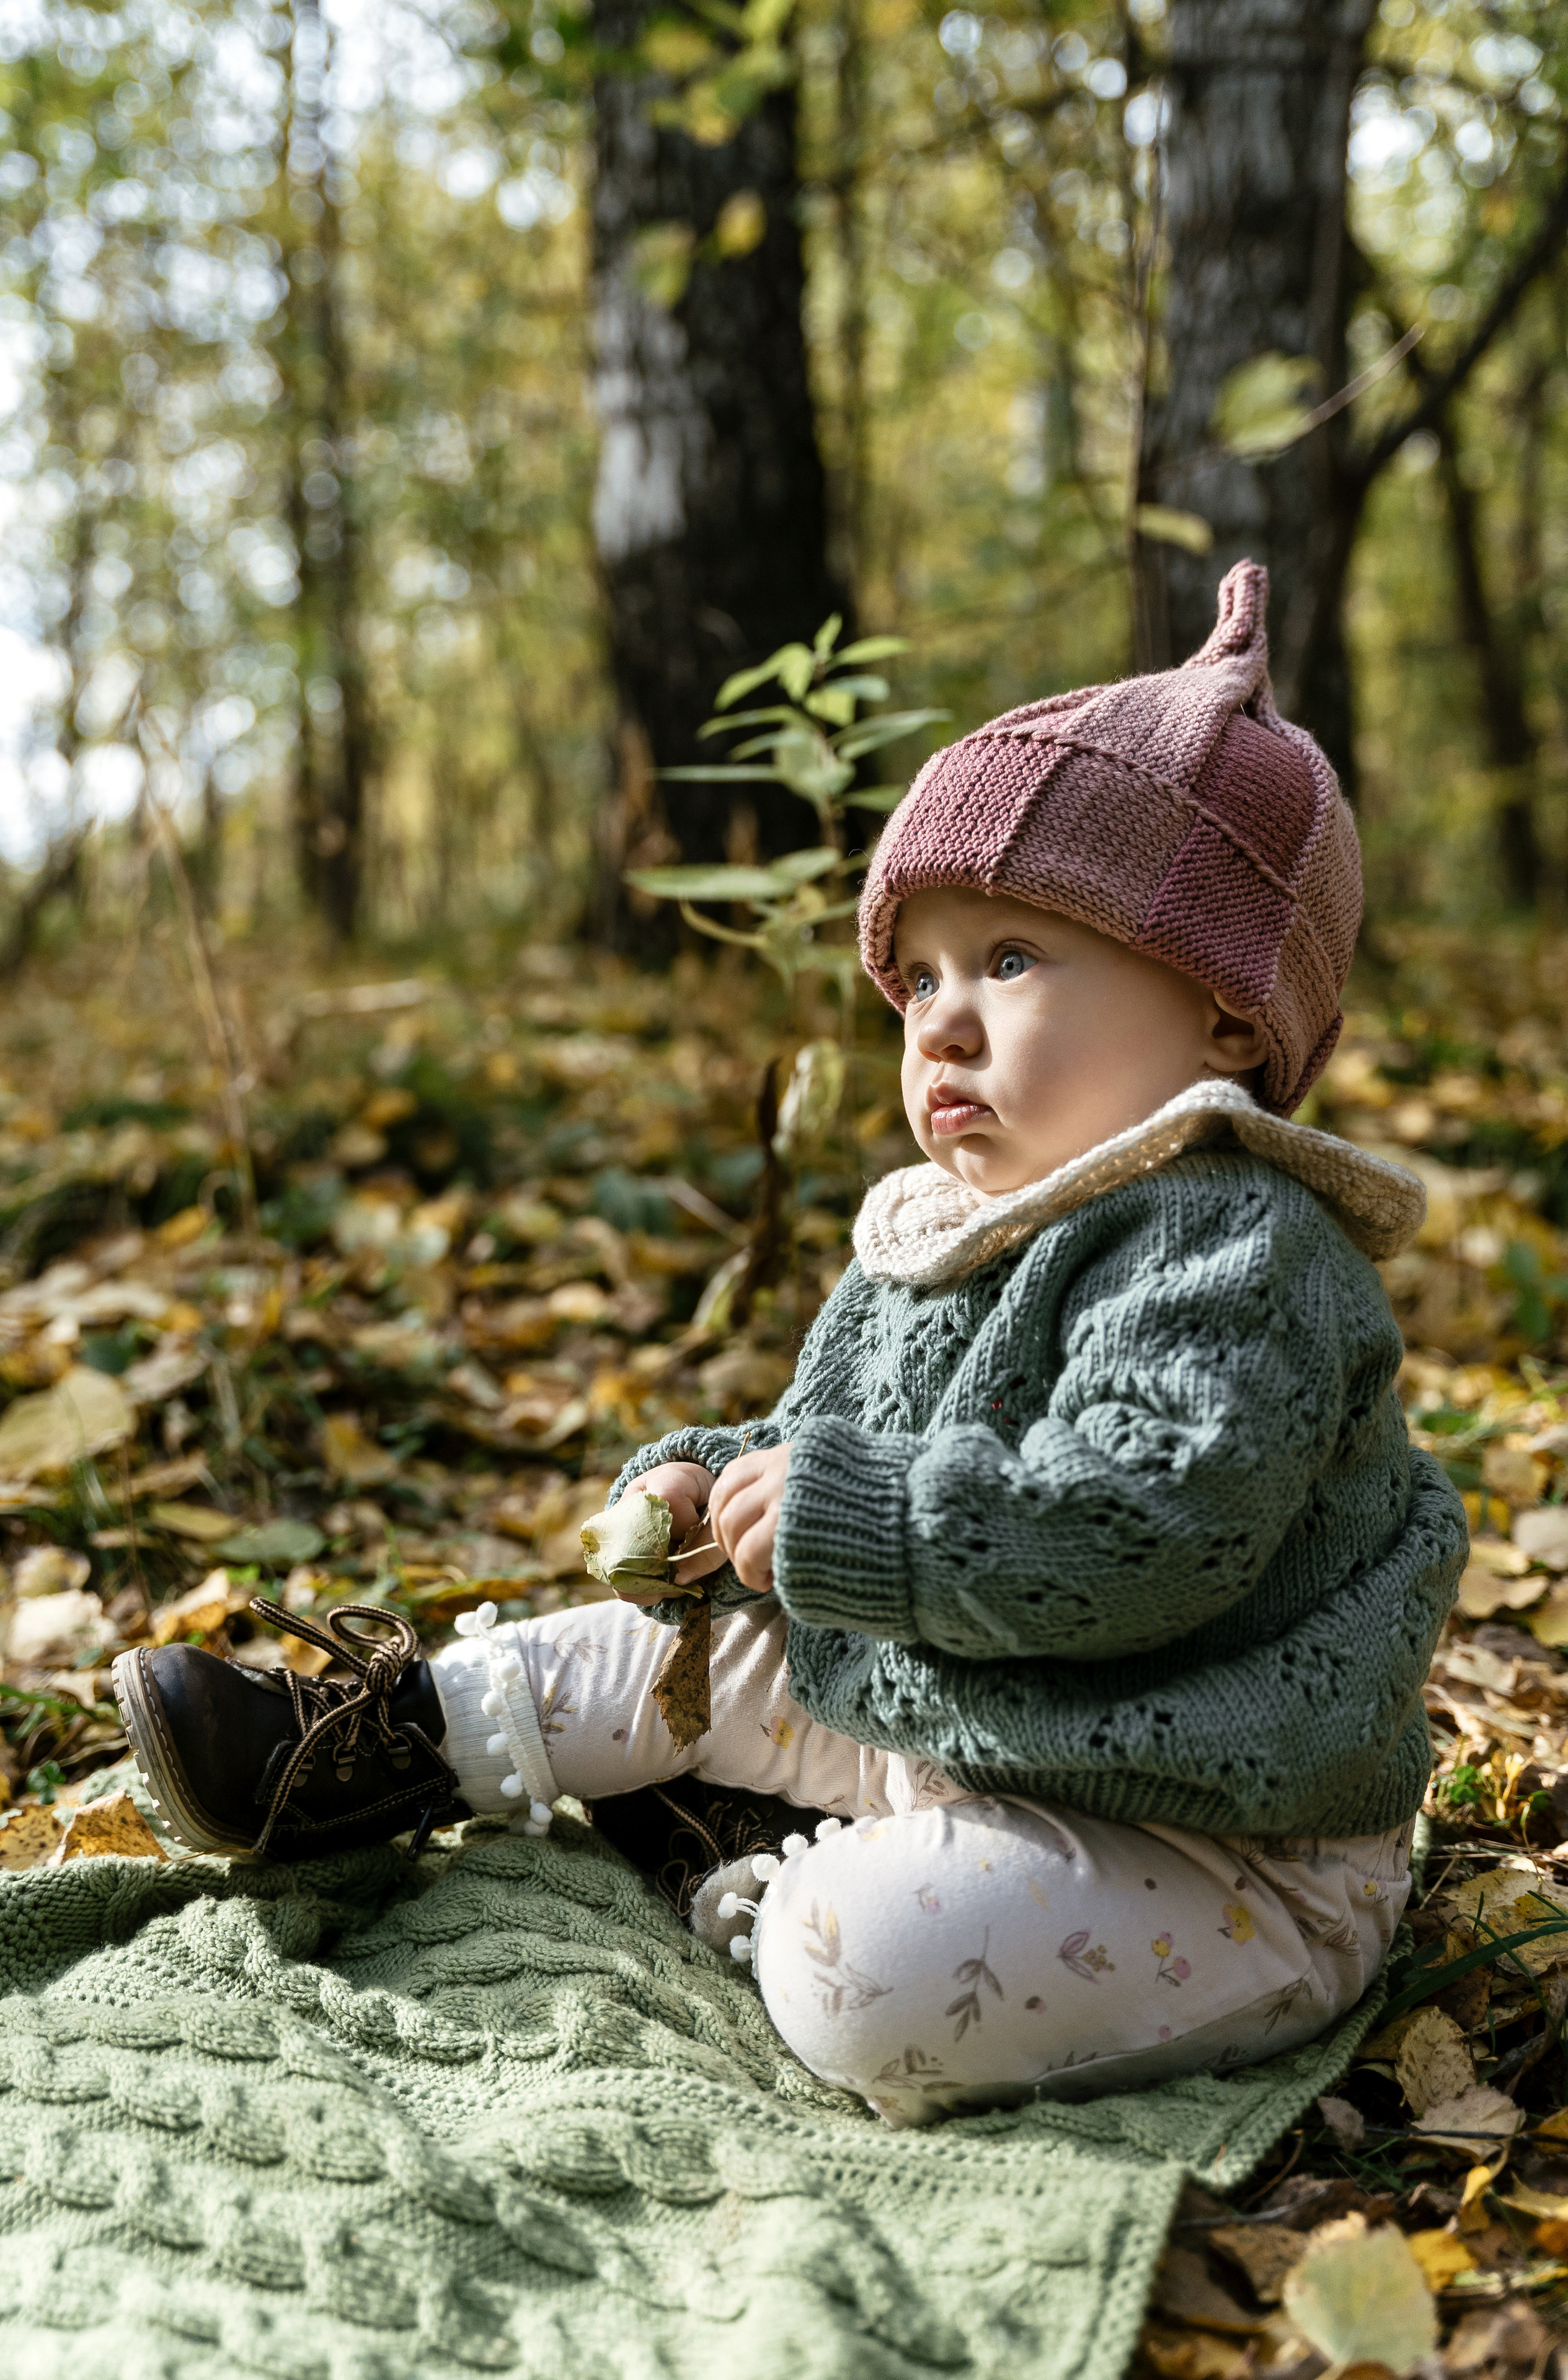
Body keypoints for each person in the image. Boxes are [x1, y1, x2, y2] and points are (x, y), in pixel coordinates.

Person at [113, 561, 1466, 2127]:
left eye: (1013, 962)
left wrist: (859, 1521)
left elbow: (1142, 1528)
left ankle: (771, 1869)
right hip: (973, 1715)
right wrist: (717, 1496)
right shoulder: (941, 1228)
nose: (943, 1025)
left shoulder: (1243, 1253)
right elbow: (821, 1433)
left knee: (853, 1972)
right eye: (923, 978)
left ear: (1228, 1018)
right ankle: (380, 1747)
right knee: (683, 1649)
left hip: (1223, 1844)